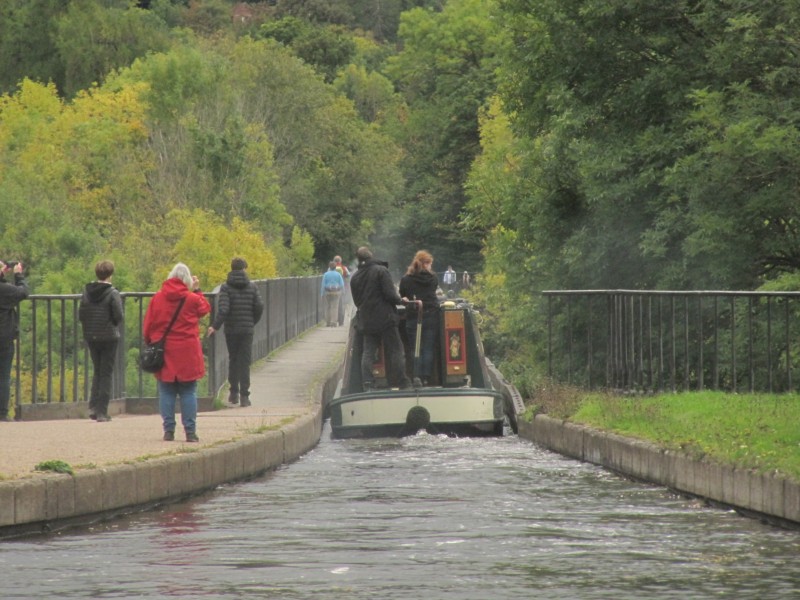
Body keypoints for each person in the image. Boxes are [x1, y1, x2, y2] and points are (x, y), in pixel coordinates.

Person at [143, 263, 210, 442]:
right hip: (187, 350)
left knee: (166, 390)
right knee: (188, 390)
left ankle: (168, 431)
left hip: (164, 350)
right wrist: (197, 290)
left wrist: (151, 343)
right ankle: (190, 432)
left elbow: (148, 326)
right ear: (187, 279)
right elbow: (204, 309)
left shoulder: (157, 298)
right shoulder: (192, 299)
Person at [349, 246, 412, 390]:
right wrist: (402, 300)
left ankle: (368, 383)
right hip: (385, 318)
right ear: (371, 256)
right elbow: (390, 294)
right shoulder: (381, 271)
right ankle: (402, 381)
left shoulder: (355, 278)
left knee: (368, 352)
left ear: (358, 259)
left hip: (366, 320)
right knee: (396, 350)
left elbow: (357, 301)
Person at [207, 257, 264, 407]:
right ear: (244, 269)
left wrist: (215, 326)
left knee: (233, 359)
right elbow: (259, 306)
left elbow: (224, 309)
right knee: (244, 362)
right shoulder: (252, 287)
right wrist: (252, 321)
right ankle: (245, 396)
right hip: (247, 329)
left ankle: (233, 393)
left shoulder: (225, 287)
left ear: (232, 269)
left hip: (231, 329)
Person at [78, 260, 124, 422]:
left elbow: (81, 314)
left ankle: (93, 406)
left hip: (91, 335)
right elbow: (118, 315)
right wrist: (112, 324)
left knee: (97, 371)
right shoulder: (112, 293)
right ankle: (102, 412)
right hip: (109, 336)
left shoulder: (86, 291)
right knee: (106, 373)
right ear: (110, 275)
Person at [399, 250, 440, 387]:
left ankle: (416, 376)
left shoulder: (406, 279)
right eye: (430, 264)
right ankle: (426, 378)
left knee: (415, 347)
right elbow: (433, 292)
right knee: (428, 347)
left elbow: (402, 294)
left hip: (413, 316)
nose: (431, 267)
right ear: (426, 263)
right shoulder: (433, 278)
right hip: (431, 315)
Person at [0, 260, 28, 422]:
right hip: (4, 336)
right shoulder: (5, 290)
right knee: (3, 375)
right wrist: (18, 275)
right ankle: (2, 412)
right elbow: (23, 292)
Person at [321, 261, 345, 327]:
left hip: (327, 292)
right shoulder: (338, 274)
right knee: (335, 307)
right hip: (336, 292)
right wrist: (343, 292)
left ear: (329, 267)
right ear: (335, 267)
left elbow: (323, 285)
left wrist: (322, 294)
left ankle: (328, 322)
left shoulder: (326, 274)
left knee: (328, 307)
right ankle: (333, 322)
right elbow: (342, 284)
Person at [333, 255, 350, 326]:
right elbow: (348, 275)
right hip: (341, 288)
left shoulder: (331, 268)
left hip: (333, 289)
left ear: (334, 261)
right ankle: (341, 321)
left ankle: (333, 321)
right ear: (340, 261)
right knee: (341, 305)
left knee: (333, 306)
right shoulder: (344, 268)